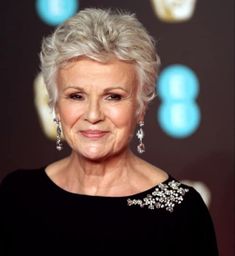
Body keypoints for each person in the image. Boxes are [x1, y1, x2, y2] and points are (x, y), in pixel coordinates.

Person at [0, 7, 218, 255]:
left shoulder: (181, 211)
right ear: (56, 106)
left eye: (113, 96)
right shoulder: (17, 195)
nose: (93, 115)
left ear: (140, 107)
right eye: (76, 96)